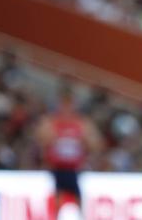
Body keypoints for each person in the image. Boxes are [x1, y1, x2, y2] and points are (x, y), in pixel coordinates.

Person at [35, 87, 103, 216]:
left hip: (74, 170)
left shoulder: (82, 123)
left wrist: (85, 140)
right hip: (55, 169)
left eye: (69, 104)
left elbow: (96, 143)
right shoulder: (51, 122)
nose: (67, 108)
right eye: (64, 104)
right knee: (56, 203)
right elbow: (40, 140)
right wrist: (51, 138)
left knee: (78, 202)